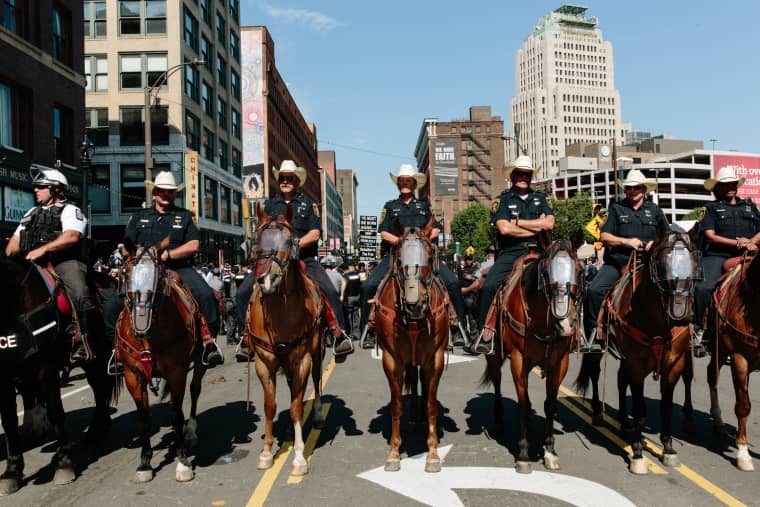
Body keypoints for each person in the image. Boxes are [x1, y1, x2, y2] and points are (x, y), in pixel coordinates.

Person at [103, 171, 224, 374]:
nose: (167, 195)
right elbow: (125, 246)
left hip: (178, 267)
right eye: (162, 191)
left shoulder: (185, 216)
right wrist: (137, 256)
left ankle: (209, 345)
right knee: (112, 306)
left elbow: (194, 244)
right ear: (155, 192)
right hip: (143, 270)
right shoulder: (139, 217)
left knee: (205, 295)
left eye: (171, 192)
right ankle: (116, 351)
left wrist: (169, 254)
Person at [235, 160, 354, 358]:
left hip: (303, 258)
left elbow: (315, 233)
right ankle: (246, 337)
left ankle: (339, 334)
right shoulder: (269, 204)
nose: (285, 181)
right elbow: (262, 230)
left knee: (330, 290)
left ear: (297, 180)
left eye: (289, 178)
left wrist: (295, 245)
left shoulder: (308, 204)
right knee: (242, 292)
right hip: (273, 259)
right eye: (282, 178)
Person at [359, 164, 467, 347]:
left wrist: (420, 241)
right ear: (398, 184)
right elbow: (384, 233)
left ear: (415, 184)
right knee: (369, 285)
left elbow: (435, 230)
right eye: (401, 181)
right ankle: (367, 330)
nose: (405, 184)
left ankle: (459, 328)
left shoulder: (424, 205)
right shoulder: (390, 206)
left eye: (408, 181)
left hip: (423, 256)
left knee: (453, 283)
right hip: (397, 255)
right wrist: (404, 243)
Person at [5, 165, 94, 364]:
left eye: (41, 186)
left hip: (64, 262)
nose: (35, 190)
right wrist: (8, 258)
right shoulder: (31, 213)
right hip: (33, 263)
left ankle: (81, 340)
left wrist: (44, 249)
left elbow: (72, 236)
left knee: (79, 291)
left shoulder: (71, 210)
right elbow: (14, 242)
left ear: (55, 189)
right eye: (36, 187)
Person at [471, 156, 555, 354]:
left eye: (527, 174)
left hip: (541, 250)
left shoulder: (542, 198)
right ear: (511, 175)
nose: (523, 177)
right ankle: (484, 334)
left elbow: (550, 224)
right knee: (489, 286)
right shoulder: (502, 200)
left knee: (567, 283)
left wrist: (517, 222)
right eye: (519, 173)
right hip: (511, 251)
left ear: (531, 176)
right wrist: (536, 225)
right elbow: (504, 229)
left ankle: (572, 330)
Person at [582, 169, 669, 352]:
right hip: (619, 262)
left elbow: (667, 235)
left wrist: (654, 243)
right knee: (593, 291)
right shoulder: (616, 208)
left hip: (647, 264)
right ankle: (592, 337)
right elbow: (604, 236)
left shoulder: (654, 210)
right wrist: (626, 241)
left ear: (644, 189)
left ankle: (681, 331)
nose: (632, 191)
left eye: (636, 188)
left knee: (677, 287)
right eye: (629, 188)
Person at [693, 166, 760, 355]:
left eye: (733, 183)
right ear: (718, 187)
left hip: (750, 254)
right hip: (718, 255)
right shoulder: (710, 209)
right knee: (703, 288)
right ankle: (699, 330)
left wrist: (750, 242)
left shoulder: (749, 206)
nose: (730, 187)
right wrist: (738, 243)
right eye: (726, 184)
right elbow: (710, 235)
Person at [341, 261, 362, 339]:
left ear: (344, 269)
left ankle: (350, 334)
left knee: (349, 316)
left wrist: (342, 295)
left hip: (349, 298)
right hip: (357, 297)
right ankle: (357, 333)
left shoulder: (345, 276)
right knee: (356, 316)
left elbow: (344, 285)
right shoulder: (357, 275)